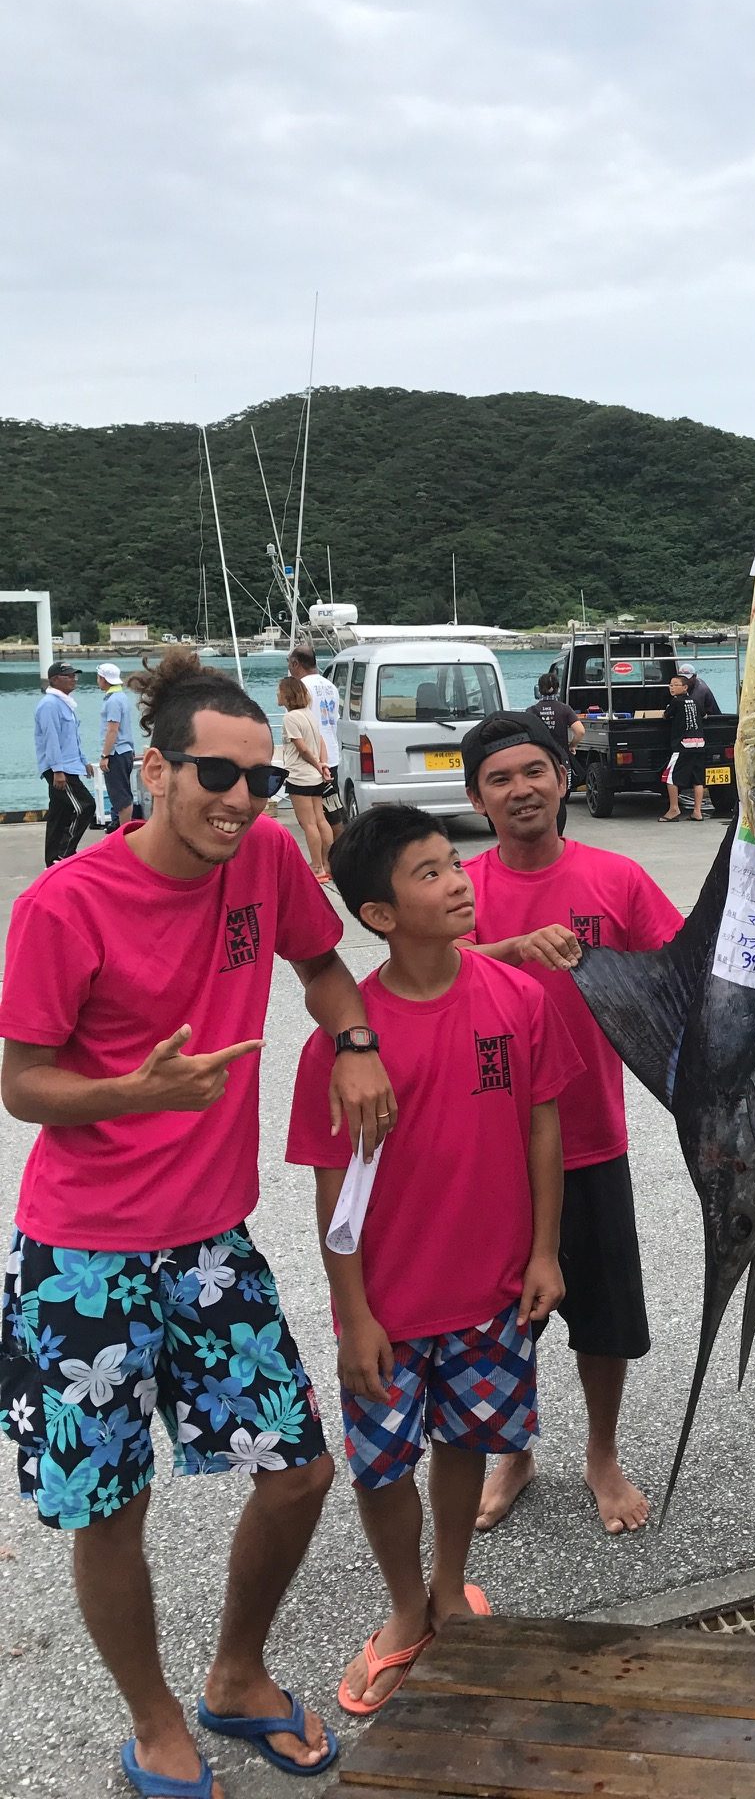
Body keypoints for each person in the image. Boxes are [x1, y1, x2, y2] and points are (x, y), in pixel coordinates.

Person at [0, 649, 397, 1799]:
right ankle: (155, 1716)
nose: (239, 801)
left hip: (211, 1244)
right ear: (154, 772)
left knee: (299, 1473)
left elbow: (325, 969)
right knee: (109, 1507)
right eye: (214, 777)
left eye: (260, 780)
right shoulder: (64, 904)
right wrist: (134, 1094)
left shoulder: (266, 859)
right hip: (82, 1258)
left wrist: (356, 1043)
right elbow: (23, 1084)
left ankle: (235, 1674)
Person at [287, 807, 579, 1715]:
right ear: (378, 914)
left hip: (493, 1291)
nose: (459, 881)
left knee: (468, 1443)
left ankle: (452, 1586)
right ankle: (405, 1609)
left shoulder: (516, 998)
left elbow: (543, 1125)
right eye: (428, 873)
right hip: (387, 1307)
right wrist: (355, 1313)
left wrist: (542, 1251)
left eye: (456, 863)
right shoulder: (343, 1048)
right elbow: (331, 1190)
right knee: (382, 1466)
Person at [459, 712, 683, 1534]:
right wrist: (513, 948)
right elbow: (424, 971)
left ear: (564, 779)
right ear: (478, 799)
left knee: (602, 1316)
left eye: (535, 773)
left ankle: (601, 1453)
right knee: (498, 1316)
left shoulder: (616, 880)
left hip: (592, 1136)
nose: (521, 790)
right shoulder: (465, 887)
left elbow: (680, 967)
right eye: (500, 780)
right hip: (489, 1144)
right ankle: (511, 1449)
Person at [34, 659, 94, 865]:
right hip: (60, 769)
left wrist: (83, 761)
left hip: (69, 765)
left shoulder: (64, 704)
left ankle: (52, 860)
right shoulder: (50, 705)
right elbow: (51, 739)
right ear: (54, 680)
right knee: (85, 807)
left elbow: (71, 739)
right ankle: (64, 854)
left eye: (73, 675)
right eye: (68, 675)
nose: (73, 679)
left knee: (59, 814)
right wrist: (58, 770)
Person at [277, 676, 333, 882]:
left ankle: (317, 866)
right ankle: (327, 863)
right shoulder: (308, 714)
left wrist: (317, 764)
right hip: (314, 777)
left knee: (308, 823)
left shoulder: (290, 718)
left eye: (279, 692)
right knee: (320, 819)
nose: (277, 695)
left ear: (287, 695)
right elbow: (320, 741)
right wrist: (323, 765)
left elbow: (301, 748)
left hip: (299, 776)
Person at [289, 645, 345, 842]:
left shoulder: (301, 687)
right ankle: (337, 854)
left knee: (313, 817)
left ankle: (323, 861)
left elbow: (300, 723)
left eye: (289, 663)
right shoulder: (330, 686)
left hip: (312, 757)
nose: (289, 668)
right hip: (331, 754)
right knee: (331, 809)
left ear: (296, 663)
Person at [530, 674, 586, 839]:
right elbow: (580, 731)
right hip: (561, 759)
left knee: (540, 799)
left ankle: (542, 834)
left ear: (538, 690)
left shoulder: (532, 711)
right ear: (558, 688)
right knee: (560, 800)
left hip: (539, 761)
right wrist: (572, 745)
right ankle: (558, 837)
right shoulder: (564, 709)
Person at [97, 663, 140, 830]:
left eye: (99, 677)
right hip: (125, 750)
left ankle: (124, 832)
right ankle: (125, 829)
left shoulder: (113, 701)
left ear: (104, 679)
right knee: (123, 792)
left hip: (117, 752)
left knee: (120, 796)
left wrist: (105, 755)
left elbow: (112, 730)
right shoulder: (121, 697)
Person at [660, 672, 706, 823]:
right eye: (670, 685)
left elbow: (665, 716)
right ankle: (697, 812)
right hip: (699, 743)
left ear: (685, 687)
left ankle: (674, 809)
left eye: (675, 685)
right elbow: (704, 716)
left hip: (683, 745)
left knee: (670, 777)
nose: (671, 688)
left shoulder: (676, 702)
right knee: (698, 779)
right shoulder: (696, 701)